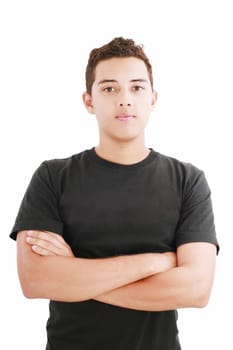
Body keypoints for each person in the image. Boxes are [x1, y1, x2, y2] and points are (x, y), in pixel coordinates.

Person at [10, 37, 219, 350]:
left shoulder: (188, 180)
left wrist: (75, 277)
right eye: (109, 88)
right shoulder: (53, 177)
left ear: (153, 98)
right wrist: (155, 262)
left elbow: (196, 289)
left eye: (136, 87)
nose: (124, 99)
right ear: (89, 101)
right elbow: (36, 280)